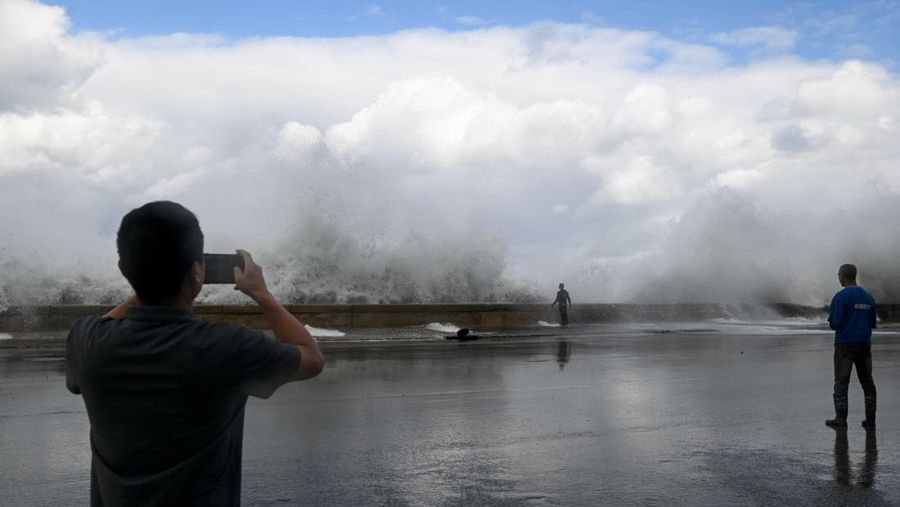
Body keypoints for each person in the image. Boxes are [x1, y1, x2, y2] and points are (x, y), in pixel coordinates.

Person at [65, 201, 325, 506]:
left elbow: (105, 322)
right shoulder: (228, 347)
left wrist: (146, 281)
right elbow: (311, 357)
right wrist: (260, 292)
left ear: (124, 269)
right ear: (196, 270)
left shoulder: (87, 342)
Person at [825, 264, 877, 430]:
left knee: (841, 382)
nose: (838, 278)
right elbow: (872, 323)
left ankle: (841, 420)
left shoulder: (841, 296)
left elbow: (835, 323)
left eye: (838, 275)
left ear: (843, 276)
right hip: (864, 344)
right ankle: (870, 421)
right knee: (867, 382)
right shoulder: (868, 297)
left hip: (845, 345)